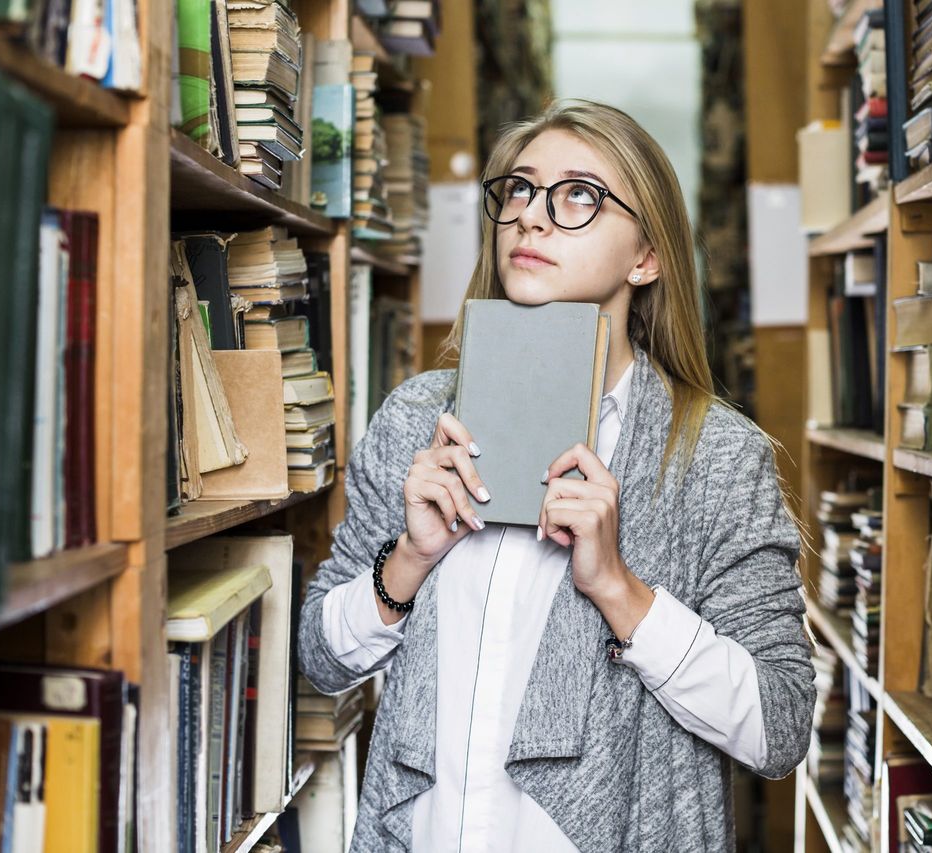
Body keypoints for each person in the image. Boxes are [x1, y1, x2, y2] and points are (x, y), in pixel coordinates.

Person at [298, 99, 814, 852]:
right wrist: (405, 563)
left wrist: (619, 588)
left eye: (581, 195)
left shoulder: (716, 457)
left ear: (647, 257)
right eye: (519, 189)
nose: (532, 217)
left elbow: (781, 725)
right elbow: (318, 659)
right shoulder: (416, 418)